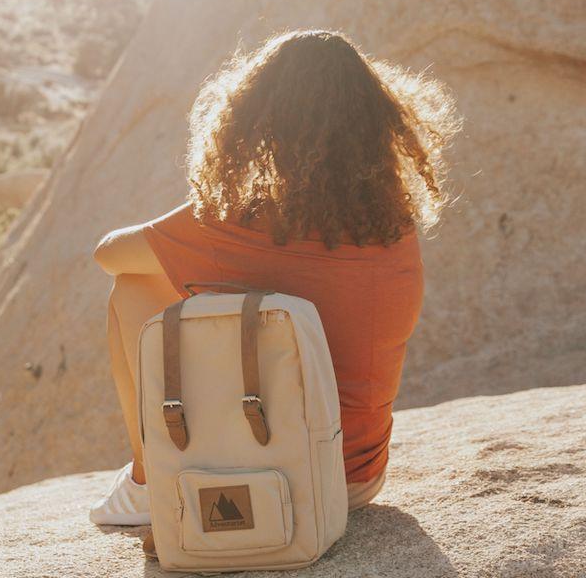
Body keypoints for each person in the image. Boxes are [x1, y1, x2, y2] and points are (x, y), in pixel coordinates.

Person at [88, 29, 459, 530]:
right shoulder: (394, 227)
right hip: (359, 480)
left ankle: (148, 477)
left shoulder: (242, 222)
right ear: (378, 123)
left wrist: (206, 211)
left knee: (132, 288)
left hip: (278, 480)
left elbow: (108, 254)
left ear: (259, 119)